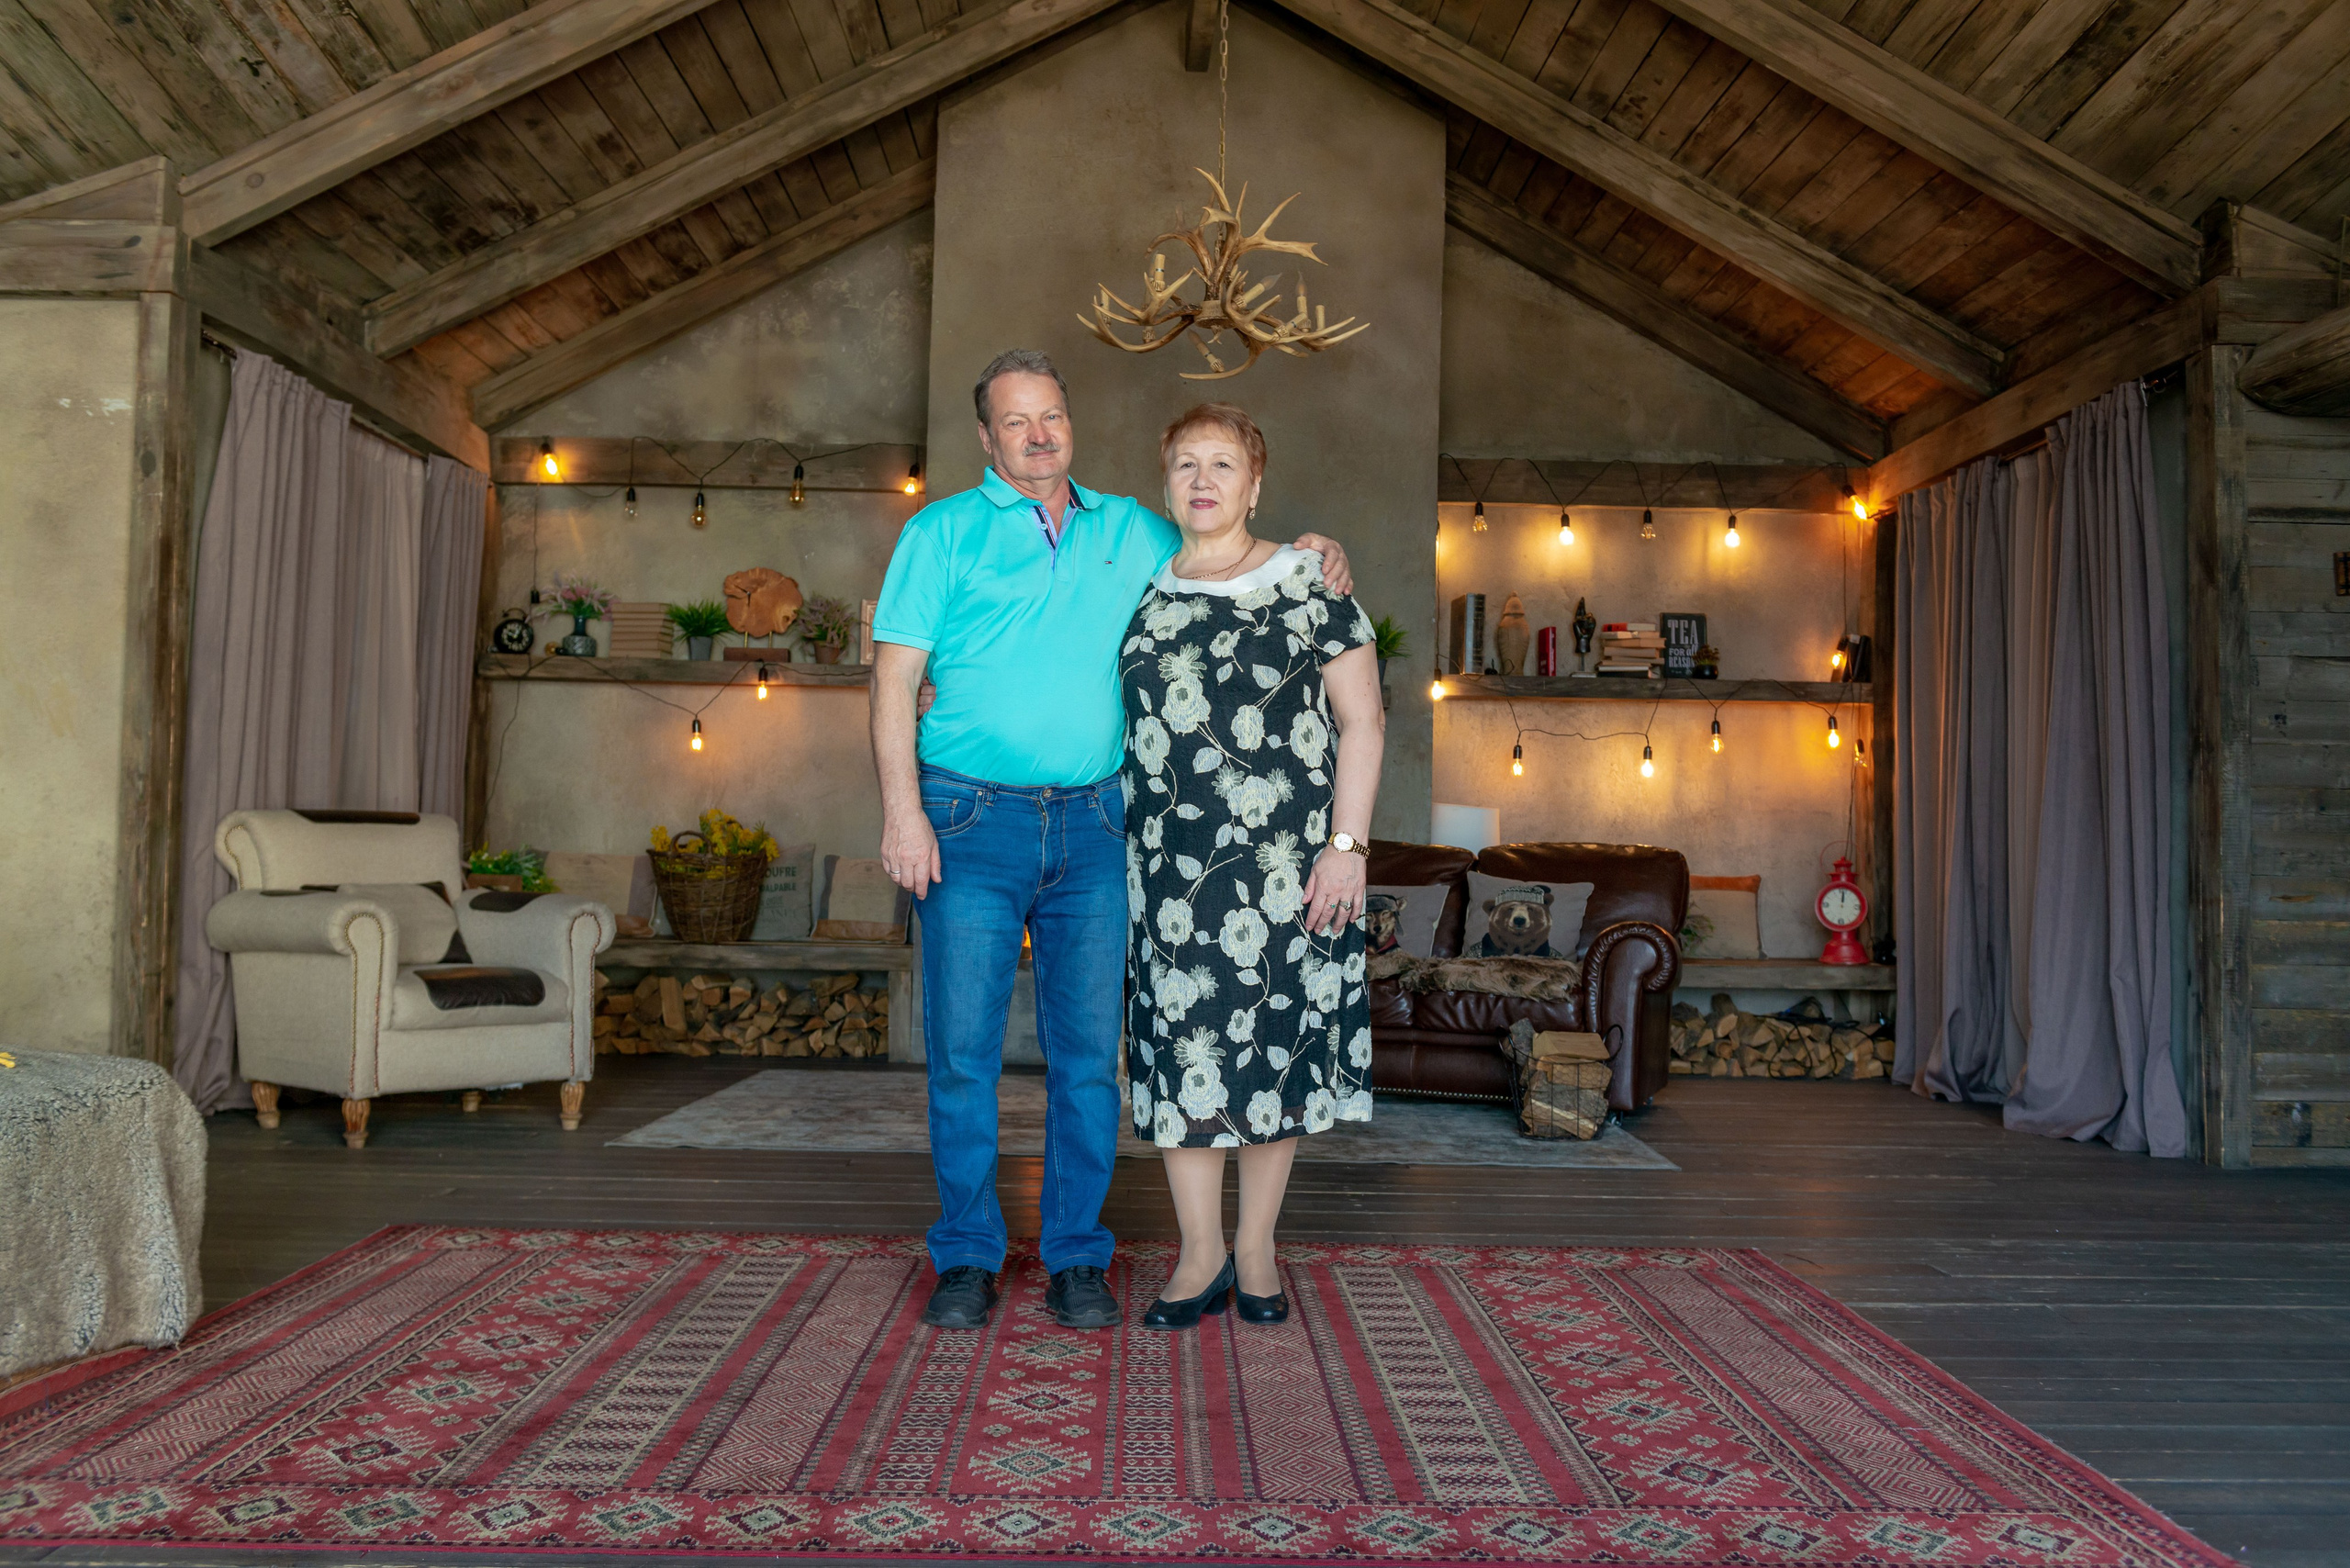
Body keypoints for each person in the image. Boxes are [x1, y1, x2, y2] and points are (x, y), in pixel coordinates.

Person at [867, 351, 1353, 1332]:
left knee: (1088, 1056)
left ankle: (1076, 1256)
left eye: (1052, 415)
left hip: (1096, 825)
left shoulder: (1131, 528)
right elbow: (889, 683)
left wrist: (1316, 553)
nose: (1040, 435)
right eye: (1017, 421)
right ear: (985, 437)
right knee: (962, 1053)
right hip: (966, 817)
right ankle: (965, 1254)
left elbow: (1227, 560)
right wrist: (902, 811)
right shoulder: (940, 532)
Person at [1120, 402, 1385, 1330]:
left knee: (1274, 1054)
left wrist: (1346, 848)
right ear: (1166, 481)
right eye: (1185, 462)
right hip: (1167, 871)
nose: (1202, 479)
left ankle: (1256, 1248)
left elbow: (1363, 721)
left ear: (1255, 483)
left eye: (1222, 464)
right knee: (1187, 1061)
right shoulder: (1138, 587)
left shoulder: (1309, 579)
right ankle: (1197, 1254)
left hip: (1288, 869)